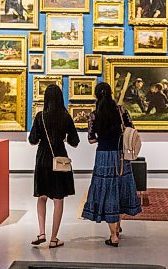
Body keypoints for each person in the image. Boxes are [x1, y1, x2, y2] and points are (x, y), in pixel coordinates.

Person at [82, 82, 142, 247]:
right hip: (121, 155)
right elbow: (131, 129)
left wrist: (103, 137)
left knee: (107, 191)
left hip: (103, 156)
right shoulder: (121, 111)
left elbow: (91, 139)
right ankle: (118, 226)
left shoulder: (94, 115)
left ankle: (113, 235)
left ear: (96, 96)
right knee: (119, 188)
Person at [28, 84, 79, 249]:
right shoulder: (65, 117)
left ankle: (41, 232)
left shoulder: (40, 116)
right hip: (59, 159)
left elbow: (32, 140)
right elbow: (75, 142)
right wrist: (63, 138)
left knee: (41, 196)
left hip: (43, 159)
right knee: (58, 199)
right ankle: (54, 238)